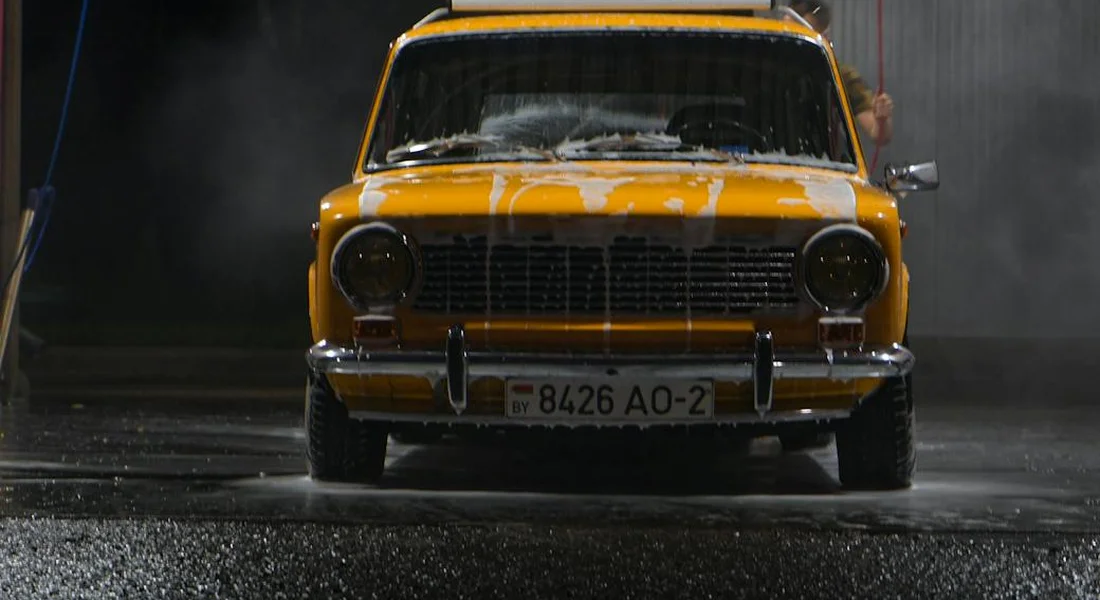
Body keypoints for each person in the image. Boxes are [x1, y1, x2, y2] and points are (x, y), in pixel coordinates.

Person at [787, 0, 894, 146]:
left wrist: (881, 120)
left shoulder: (840, 76)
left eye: (799, 36)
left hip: (823, 163)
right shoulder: (762, 73)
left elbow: (879, 135)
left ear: (825, 38)